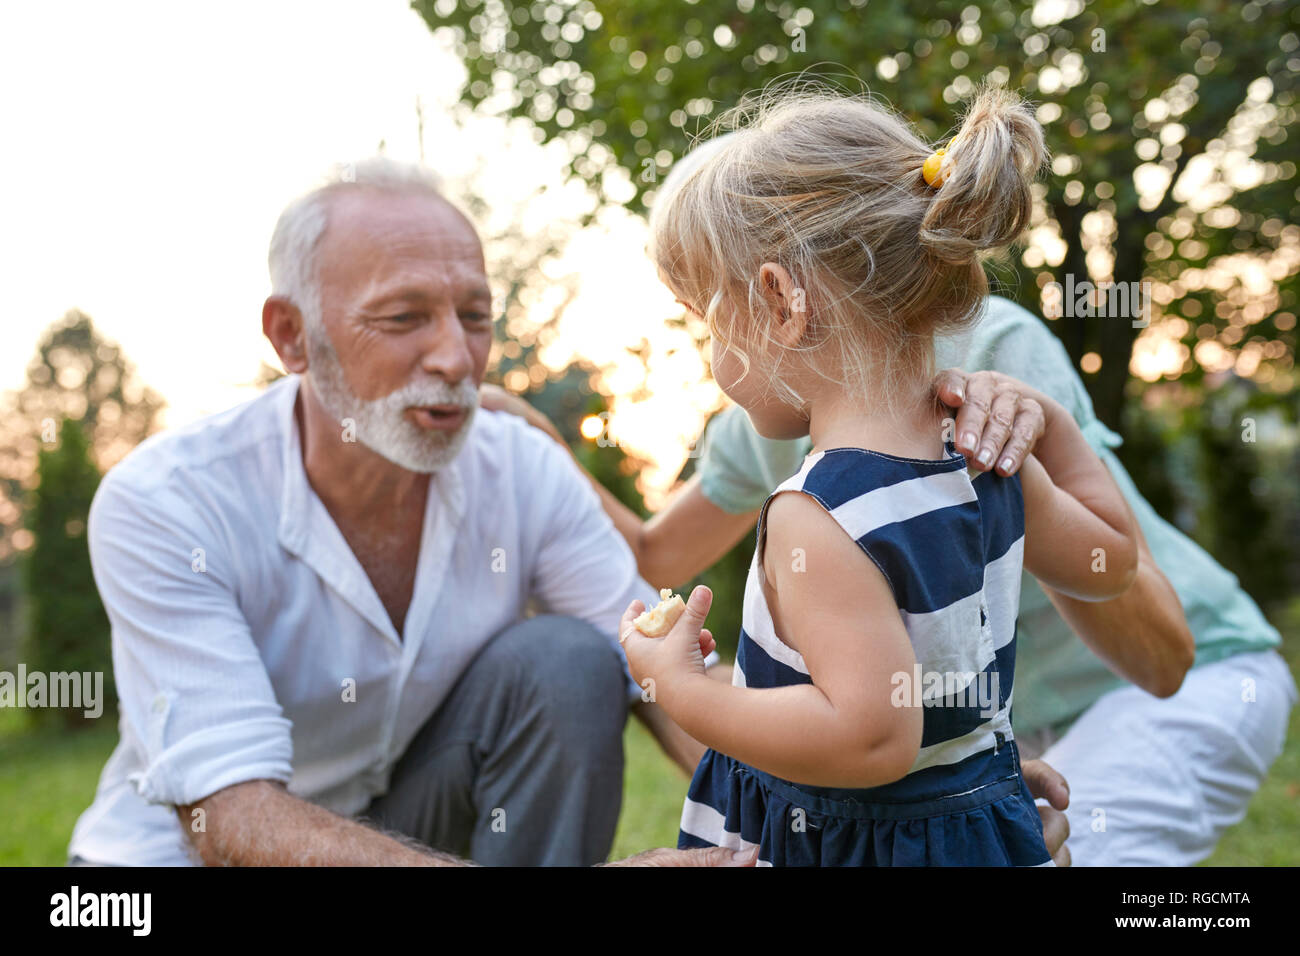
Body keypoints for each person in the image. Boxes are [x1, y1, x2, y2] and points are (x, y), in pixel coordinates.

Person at [65, 157, 748, 867]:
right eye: (403, 317)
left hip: (396, 828)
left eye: (475, 317)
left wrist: (811, 816)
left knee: (568, 662)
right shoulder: (169, 500)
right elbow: (231, 818)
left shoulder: (521, 466)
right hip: (180, 861)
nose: (457, 357)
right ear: (292, 335)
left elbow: (656, 674)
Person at [615, 84, 1145, 866]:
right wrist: (1054, 428)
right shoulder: (981, 458)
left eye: (708, 323)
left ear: (780, 303)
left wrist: (682, 690)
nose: (712, 358)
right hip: (966, 824)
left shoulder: (820, 513)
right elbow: (1112, 563)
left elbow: (868, 740)